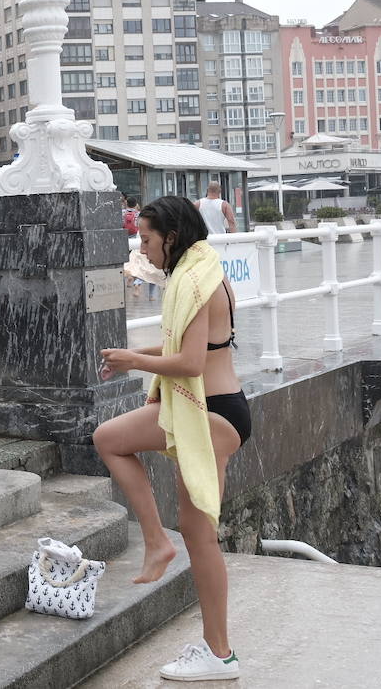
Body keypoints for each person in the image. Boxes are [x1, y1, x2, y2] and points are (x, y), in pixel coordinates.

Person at [94, 196, 250, 682]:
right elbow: (188, 345)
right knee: (200, 535)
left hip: (211, 412)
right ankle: (216, 649)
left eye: (146, 238)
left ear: (173, 237)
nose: (143, 246)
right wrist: (134, 352)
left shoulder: (194, 282)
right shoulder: (206, 271)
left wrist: (136, 363)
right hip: (215, 408)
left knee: (110, 439)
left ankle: (217, 650)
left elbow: (189, 364)